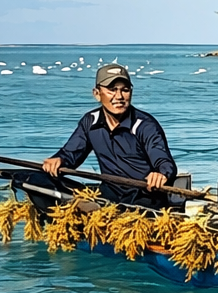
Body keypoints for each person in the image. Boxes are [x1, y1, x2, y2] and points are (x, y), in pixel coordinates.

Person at [36, 63, 178, 210]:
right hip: (109, 197)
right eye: (112, 90)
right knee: (38, 180)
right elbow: (71, 154)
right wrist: (58, 160)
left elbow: (164, 161)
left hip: (145, 200)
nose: (119, 96)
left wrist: (161, 174)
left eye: (125, 90)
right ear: (97, 94)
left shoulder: (145, 125)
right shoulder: (90, 121)